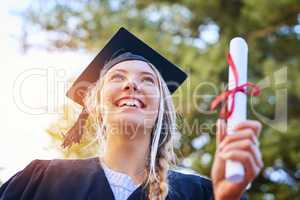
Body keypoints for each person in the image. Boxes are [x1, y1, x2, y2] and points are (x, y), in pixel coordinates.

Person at [0, 27, 263, 200]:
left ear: (161, 106)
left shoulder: (201, 193)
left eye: (148, 80)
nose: (132, 84)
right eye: (117, 76)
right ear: (95, 104)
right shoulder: (41, 181)